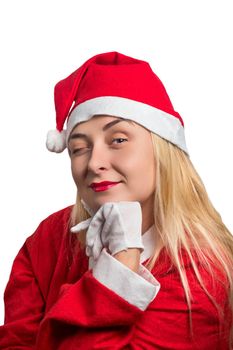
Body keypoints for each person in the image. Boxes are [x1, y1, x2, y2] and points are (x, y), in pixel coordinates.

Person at [0, 51, 232, 350]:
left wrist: (118, 270)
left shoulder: (203, 271)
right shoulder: (48, 238)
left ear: (163, 150)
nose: (94, 162)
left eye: (118, 140)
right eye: (79, 148)